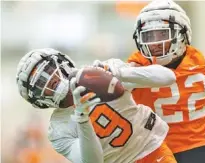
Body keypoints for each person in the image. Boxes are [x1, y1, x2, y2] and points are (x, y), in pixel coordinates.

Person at [16, 48, 177, 163]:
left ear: (62, 61)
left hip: (152, 150)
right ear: (39, 100)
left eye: (48, 70)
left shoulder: (99, 72)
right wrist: (82, 117)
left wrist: (118, 73)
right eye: (40, 83)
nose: (49, 80)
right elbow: (93, 161)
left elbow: (167, 77)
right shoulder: (58, 129)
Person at [124, 0, 205, 162]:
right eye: (148, 36)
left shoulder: (203, 63)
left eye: (162, 34)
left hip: (204, 142)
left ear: (182, 33)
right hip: (156, 147)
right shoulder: (135, 67)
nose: (155, 43)